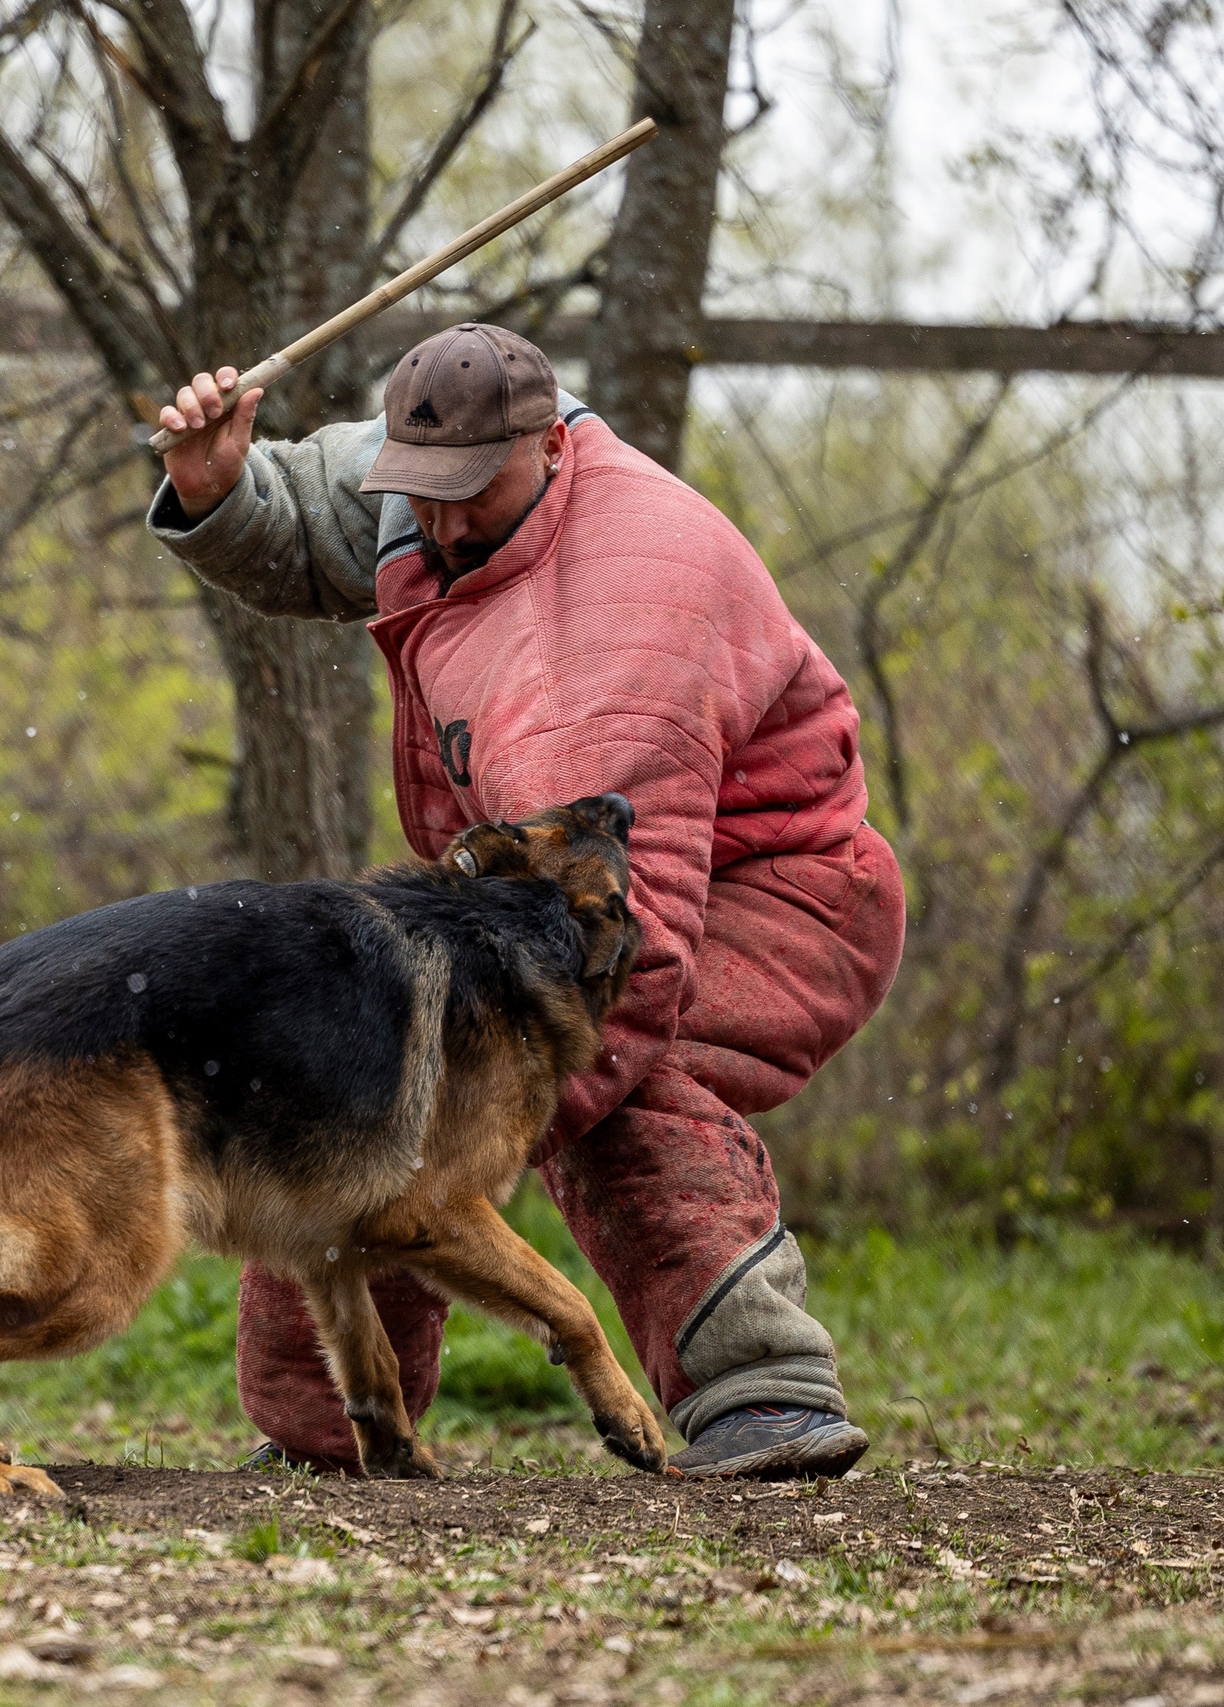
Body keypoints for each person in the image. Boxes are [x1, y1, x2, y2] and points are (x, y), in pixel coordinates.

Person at [148, 323, 903, 1479]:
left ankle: (762, 1389)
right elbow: (312, 509)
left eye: (470, 495)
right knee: (374, 1084)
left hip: (772, 892)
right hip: (549, 895)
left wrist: (430, 1130)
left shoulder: (609, 644)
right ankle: (331, 1436)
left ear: (552, 444)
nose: (440, 524)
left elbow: (621, 957)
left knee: (535, 1091)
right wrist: (219, 490)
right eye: (421, 489)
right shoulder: (432, 482)